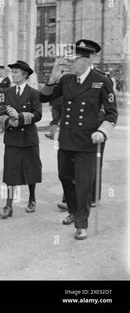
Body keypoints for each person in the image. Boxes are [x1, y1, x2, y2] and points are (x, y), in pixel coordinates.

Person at [40, 39, 118, 240]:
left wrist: (102, 131)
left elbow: (111, 113)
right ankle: (74, 210)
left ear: (89, 59)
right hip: (67, 139)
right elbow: (44, 98)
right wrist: (54, 76)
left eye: (74, 59)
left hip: (88, 141)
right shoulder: (66, 80)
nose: (70, 63)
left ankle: (81, 223)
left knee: (83, 182)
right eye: (70, 59)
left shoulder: (101, 80)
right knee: (65, 176)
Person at [0, 61, 42, 218]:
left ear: (25, 75)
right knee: (11, 171)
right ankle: (8, 205)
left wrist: (20, 117)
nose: (13, 75)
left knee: (31, 169)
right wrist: (10, 121)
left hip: (29, 137)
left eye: (16, 72)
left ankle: (32, 199)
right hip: (12, 137)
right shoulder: (6, 92)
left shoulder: (34, 93)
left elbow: (38, 114)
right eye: (12, 72)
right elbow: (0, 112)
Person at [0, 65, 11, 134]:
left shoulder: (7, 80)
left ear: (5, 71)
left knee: (2, 112)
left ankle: (2, 128)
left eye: (1, 70)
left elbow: (9, 90)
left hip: (4, 99)